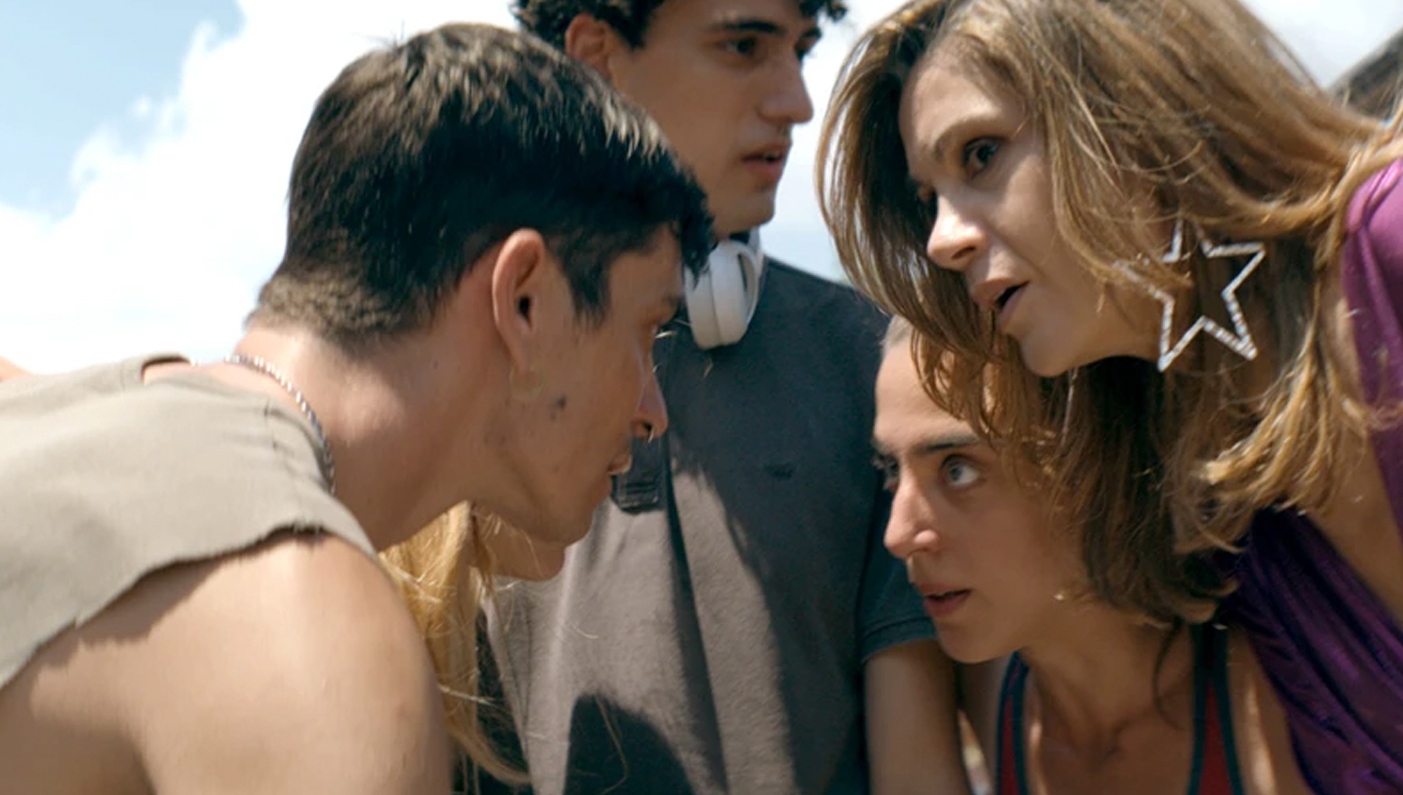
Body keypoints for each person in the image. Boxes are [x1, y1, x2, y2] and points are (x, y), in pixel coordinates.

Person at [0, 22, 712, 795]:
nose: (653, 410)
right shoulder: (311, 639)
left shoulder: (48, 420)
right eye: (645, 330)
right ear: (524, 301)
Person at [819, 0, 1403, 792]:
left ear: (1130, 108)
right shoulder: (1222, 518)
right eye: (929, 199)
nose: (941, 239)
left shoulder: (1396, 242)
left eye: (981, 154)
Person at [472, 1, 964, 793]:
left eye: (800, 50)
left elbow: (919, 772)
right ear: (596, 55)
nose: (797, 102)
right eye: (742, 45)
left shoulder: (877, 367)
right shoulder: (457, 364)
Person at [872, 317, 1309, 795]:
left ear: (1098, 468)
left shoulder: (1284, 707)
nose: (897, 535)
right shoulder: (977, 683)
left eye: (958, 471)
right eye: (891, 467)